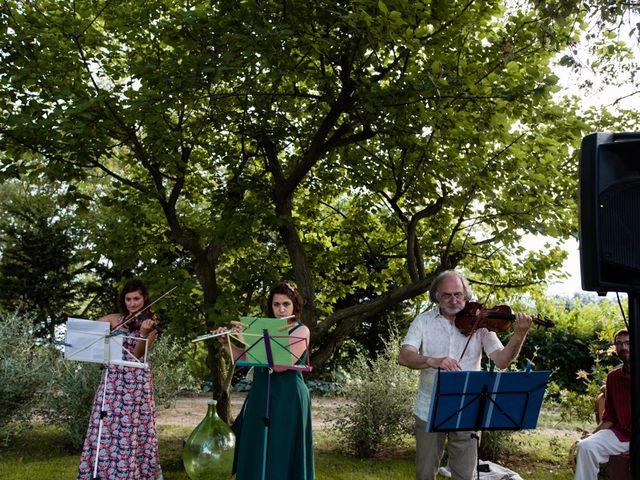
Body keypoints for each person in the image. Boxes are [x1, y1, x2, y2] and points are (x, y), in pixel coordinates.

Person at [398, 270, 532, 480]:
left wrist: (519, 335)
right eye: (447, 295)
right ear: (436, 297)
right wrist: (431, 360)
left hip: (468, 408)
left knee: (465, 475)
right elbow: (404, 356)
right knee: (424, 473)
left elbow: (502, 361)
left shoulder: (481, 323)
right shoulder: (423, 321)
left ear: (466, 295)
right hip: (429, 407)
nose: (454, 300)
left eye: (458, 294)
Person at [214, 281, 314, 480]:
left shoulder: (302, 330)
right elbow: (245, 357)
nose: (281, 309)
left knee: (281, 446)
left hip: (288, 396)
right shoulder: (261, 330)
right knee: (255, 443)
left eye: (286, 304)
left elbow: (280, 366)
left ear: (295, 305)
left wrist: (245, 339)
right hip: (261, 392)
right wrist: (227, 342)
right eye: (276, 305)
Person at [77, 279, 163, 480]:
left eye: (137, 299)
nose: (133, 304)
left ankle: (130, 474)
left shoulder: (150, 324)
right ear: (123, 300)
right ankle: (101, 473)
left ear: (145, 299)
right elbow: (91, 330)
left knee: (130, 428)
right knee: (104, 424)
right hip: (112, 378)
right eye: (128, 299)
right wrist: (114, 325)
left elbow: (138, 354)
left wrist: (143, 333)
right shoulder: (117, 318)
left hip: (135, 381)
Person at [574, 329, 631, 480]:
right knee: (585, 447)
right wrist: (590, 436)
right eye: (619, 343)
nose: (623, 347)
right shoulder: (613, 377)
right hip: (621, 436)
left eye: (628, 343)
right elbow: (609, 418)